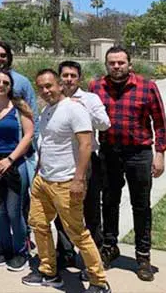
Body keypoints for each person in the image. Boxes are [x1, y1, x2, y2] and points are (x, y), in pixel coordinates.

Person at [22, 69, 111, 293]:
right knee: (39, 225)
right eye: (41, 87)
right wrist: (37, 173)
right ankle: (49, 271)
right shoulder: (46, 111)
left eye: (49, 85)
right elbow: (45, 144)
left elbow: (86, 145)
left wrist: (79, 179)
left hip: (66, 181)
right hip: (43, 180)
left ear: (60, 85)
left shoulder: (74, 109)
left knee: (77, 233)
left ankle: (99, 281)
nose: (45, 90)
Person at [89, 46, 166, 281]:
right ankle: (109, 247)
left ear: (129, 64)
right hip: (109, 153)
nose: (116, 66)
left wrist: (160, 153)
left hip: (139, 153)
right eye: (112, 63)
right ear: (106, 65)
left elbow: (160, 123)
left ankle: (143, 255)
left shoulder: (147, 87)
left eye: (121, 62)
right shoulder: (96, 87)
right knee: (109, 202)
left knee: (141, 205)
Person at [54, 61, 111, 274]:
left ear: (79, 78)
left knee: (91, 211)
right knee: (62, 211)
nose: (68, 79)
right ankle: (66, 254)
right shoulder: (54, 100)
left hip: (86, 163)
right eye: (65, 75)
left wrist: (83, 107)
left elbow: (105, 124)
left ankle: (92, 259)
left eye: (73, 75)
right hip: (61, 163)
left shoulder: (90, 99)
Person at [0, 69, 34, 272]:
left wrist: (10, 159)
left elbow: (28, 135)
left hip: (16, 165)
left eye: (5, 82)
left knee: (14, 210)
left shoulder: (19, 107)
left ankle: (20, 251)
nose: (1, 85)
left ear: (10, 85)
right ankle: (6, 250)